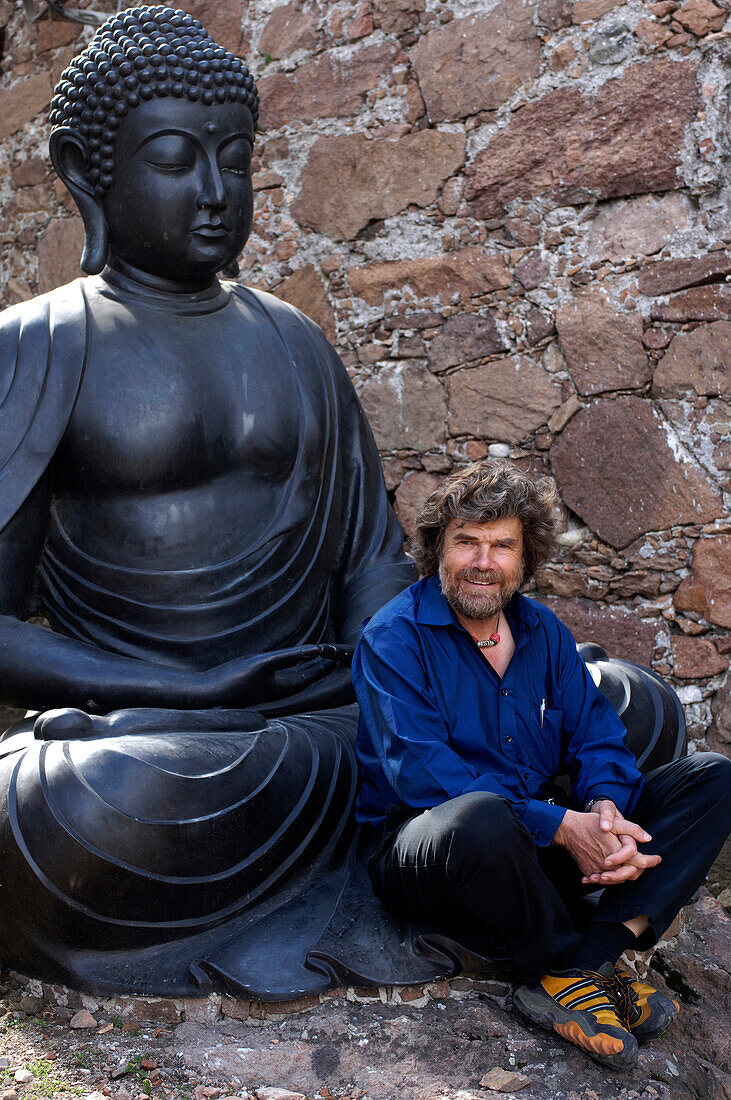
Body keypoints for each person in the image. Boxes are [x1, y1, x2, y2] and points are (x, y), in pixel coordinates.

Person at [0, 5, 415, 997]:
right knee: (86, 804)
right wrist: (193, 688)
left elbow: (374, 571)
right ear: (85, 173)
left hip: (317, 723)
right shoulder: (36, 343)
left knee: (608, 708)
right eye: (179, 158)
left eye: (237, 157)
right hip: (149, 742)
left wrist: (397, 685)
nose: (217, 191)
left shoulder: (297, 343)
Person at [353, 459, 731, 1070]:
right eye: (466, 542)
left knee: (714, 776)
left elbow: (598, 737)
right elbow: (425, 777)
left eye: (502, 545)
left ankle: (591, 962)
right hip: (432, 847)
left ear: (525, 559)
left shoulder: (543, 632)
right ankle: (558, 964)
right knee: (478, 816)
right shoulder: (393, 637)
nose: (483, 561)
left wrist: (605, 811)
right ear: (437, 550)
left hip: (535, 838)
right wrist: (560, 827)